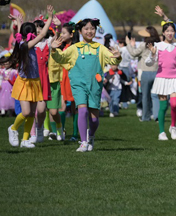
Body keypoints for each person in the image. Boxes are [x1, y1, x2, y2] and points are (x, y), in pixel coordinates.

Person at [50, 18, 122, 152]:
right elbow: (61, 58)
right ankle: (83, 142)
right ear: (80, 31)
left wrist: (117, 57)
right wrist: (54, 50)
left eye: (92, 28)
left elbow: (113, 60)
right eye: (86, 29)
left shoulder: (100, 48)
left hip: (95, 85)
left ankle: (91, 136)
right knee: (82, 110)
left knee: (94, 120)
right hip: (78, 84)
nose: (89, 31)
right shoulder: (73, 48)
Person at [6, 9, 54, 148]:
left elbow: (20, 34)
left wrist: (20, 22)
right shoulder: (25, 45)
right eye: (34, 33)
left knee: (32, 113)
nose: (37, 35)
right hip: (24, 83)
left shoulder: (25, 43)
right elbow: (44, 33)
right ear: (31, 34)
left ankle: (25, 139)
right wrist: (49, 18)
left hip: (35, 82)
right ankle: (13, 128)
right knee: (26, 112)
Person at [152, 21, 176, 141]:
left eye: (172, 31)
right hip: (161, 78)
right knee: (163, 106)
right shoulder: (158, 46)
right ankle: (161, 132)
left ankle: (173, 127)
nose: (170, 33)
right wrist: (152, 55)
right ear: (163, 33)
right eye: (167, 31)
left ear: (174, 32)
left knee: (174, 104)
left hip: (174, 78)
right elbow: (151, 62)